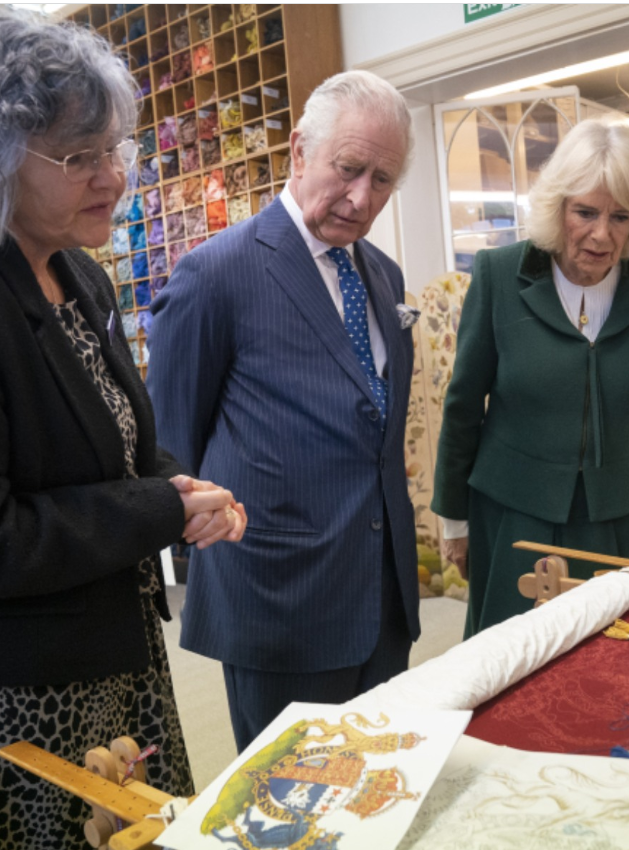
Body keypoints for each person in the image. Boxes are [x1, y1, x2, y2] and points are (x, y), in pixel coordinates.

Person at [0, 11, 245, 848]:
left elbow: (116, 448)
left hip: (120, 656)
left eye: (116, 149)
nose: (112, 176)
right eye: (77, 156)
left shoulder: (81, 276)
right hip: (33, 691)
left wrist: (185, 487)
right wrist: (159, 511)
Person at [147, 70, 420, 752]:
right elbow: (169, 447)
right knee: (288, 809)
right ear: (299, 151)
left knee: (377, 792)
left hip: (382, 595)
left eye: (382, 180)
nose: (361, 198)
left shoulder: (382, 274)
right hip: (278, 599)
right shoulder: (217, 273)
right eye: (348, 168)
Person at [431, 118, 629, 637]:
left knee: (613, 660)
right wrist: (453, 519)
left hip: (620, 512)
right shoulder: (500, 273)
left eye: (620, 217)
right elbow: (463, 405)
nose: (601, 234)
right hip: (514, 512)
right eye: (585, 212)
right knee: (513, 657)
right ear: (558, 207)